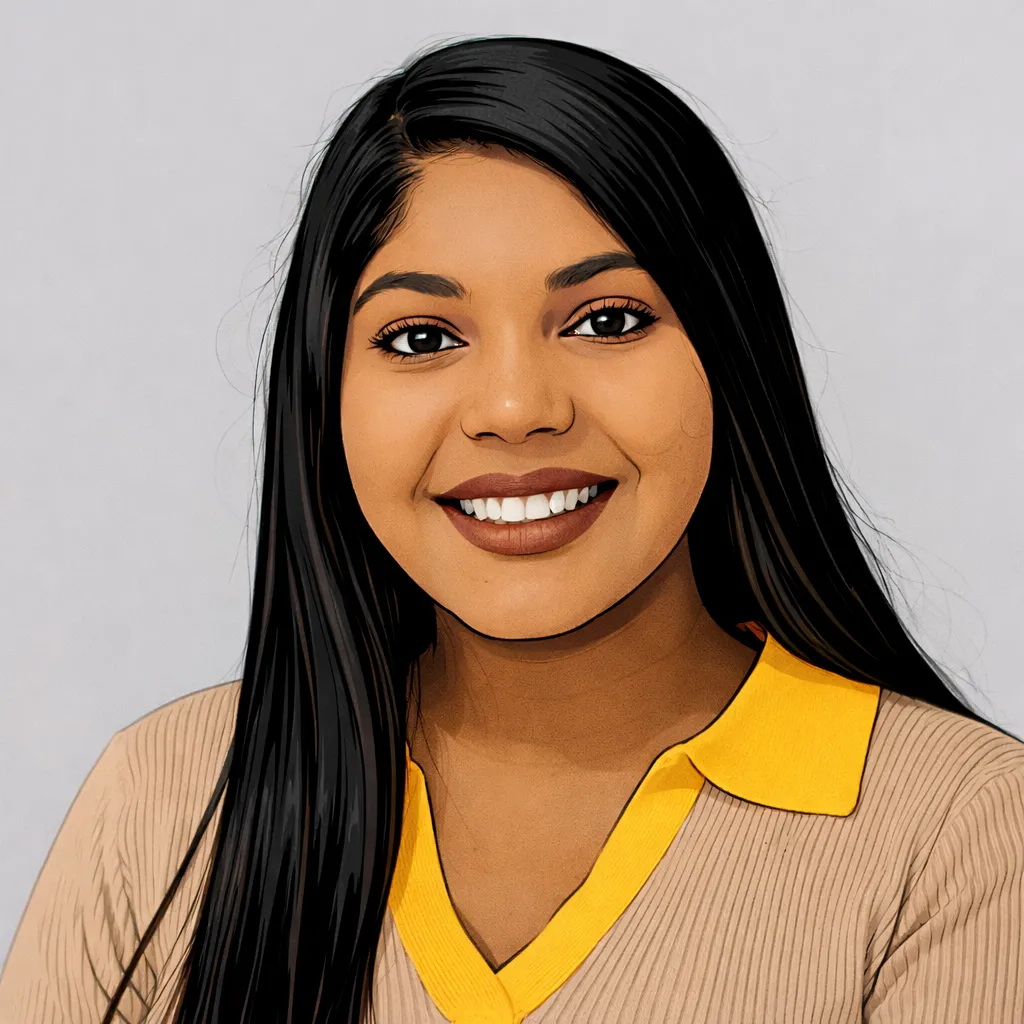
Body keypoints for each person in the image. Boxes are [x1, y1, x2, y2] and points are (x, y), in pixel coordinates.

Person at [1, 34, 1022, 1024]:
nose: (515, 408)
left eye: (607, 320)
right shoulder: (169, 799)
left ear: (730, 357)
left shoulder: (959, 828)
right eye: (420, 337)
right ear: (325, 400)